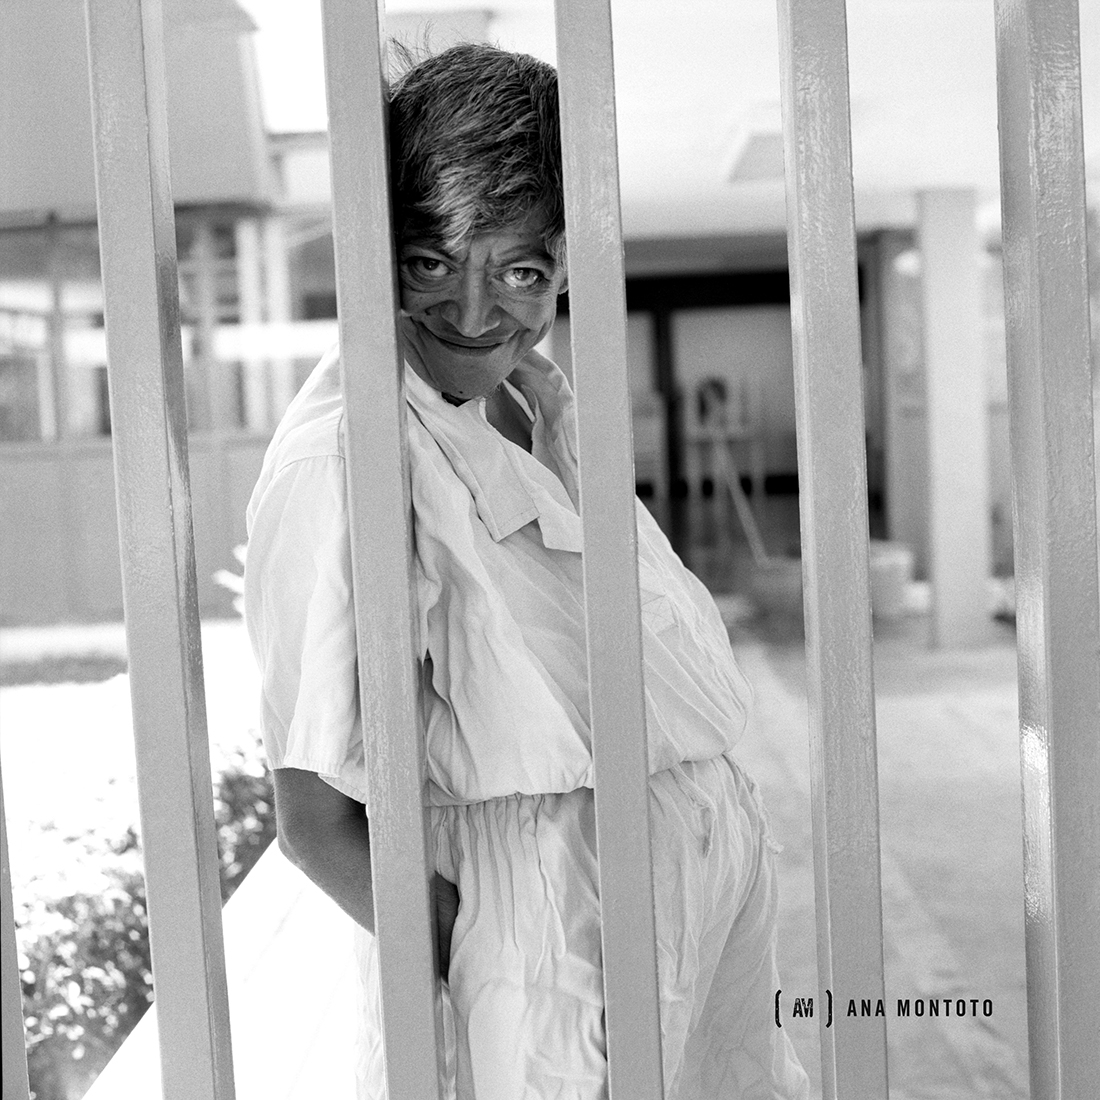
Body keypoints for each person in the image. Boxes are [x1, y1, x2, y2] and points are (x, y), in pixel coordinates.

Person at [244, 43, 809, 1100]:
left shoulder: (532, 398)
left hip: (692, 898)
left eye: (517, 271)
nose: (471, 313)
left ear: (562, 265)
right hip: (550, 947)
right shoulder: (343, 457)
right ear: (374, 251)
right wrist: (493, 956)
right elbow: (311, 820)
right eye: (428, 261)